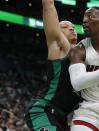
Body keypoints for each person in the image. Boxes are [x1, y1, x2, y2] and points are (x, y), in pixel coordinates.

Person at [24, 0, 82, 130]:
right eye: (65, 26)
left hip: (62, 118)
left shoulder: (85, 58)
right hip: (43, 110)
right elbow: (48, 5)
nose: (72, 28)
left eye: (73, 26)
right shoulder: (59, 45)